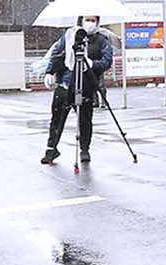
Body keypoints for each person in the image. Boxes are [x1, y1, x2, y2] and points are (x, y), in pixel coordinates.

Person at [40, 13, 113, 166]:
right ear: (80, 20)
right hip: (66, 83)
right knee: (57, 118)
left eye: (93, 20)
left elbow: (106, 61)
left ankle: (84, 149)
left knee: (85, 120)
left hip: (87, 84)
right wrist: (50, 71)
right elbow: (58, 54)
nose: (90, 23)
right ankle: (51, 149)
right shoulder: (69, 36)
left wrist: (92, 64)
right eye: (87, 20)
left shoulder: (101, 40)